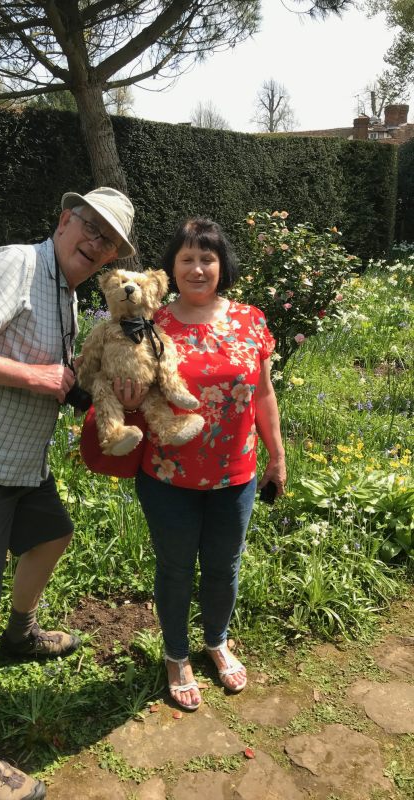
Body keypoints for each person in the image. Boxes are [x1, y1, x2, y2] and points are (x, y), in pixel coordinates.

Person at [0, 187, 135, 800]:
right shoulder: (17, 263)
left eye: (110, 241)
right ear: (64, 220)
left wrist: (99, 399)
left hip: (17, 465)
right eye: (90, 227)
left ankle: (21, 634)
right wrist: (34, 376)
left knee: (53, 535)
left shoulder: (65, 293)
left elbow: (53, 377)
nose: (97, 244)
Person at [129, 217, 286, 711]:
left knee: (223, 567)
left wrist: (277, 456)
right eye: (187, 259)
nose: (197, 269)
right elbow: (127, 387)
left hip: (235, 474)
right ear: (172, 266)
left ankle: (216, 641)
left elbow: (262, 393)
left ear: (222, 265)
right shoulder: (149, 323)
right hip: (167, 475)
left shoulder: (250, 320)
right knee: (175, 568)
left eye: (207, 258)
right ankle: (176, 654)